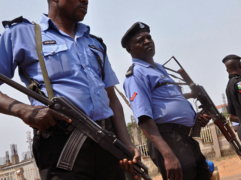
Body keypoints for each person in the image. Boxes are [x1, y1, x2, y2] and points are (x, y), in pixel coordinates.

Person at [0, 0, 140, 179]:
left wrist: (126, 143)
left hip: (108, 144)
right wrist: (23, 110)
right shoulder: (22, 34)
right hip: (61, 145)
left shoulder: (95, 43)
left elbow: (112, 98)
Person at [122, 22, 212, 180]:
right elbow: (144, 119)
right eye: (140, 40)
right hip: (168, 141)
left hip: (185, 139)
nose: (147, 41)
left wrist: (194, 118)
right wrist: (168, 155)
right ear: (130, 49)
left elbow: (167, 101)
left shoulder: (160, 69)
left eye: (149, 37)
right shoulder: (136, 75)